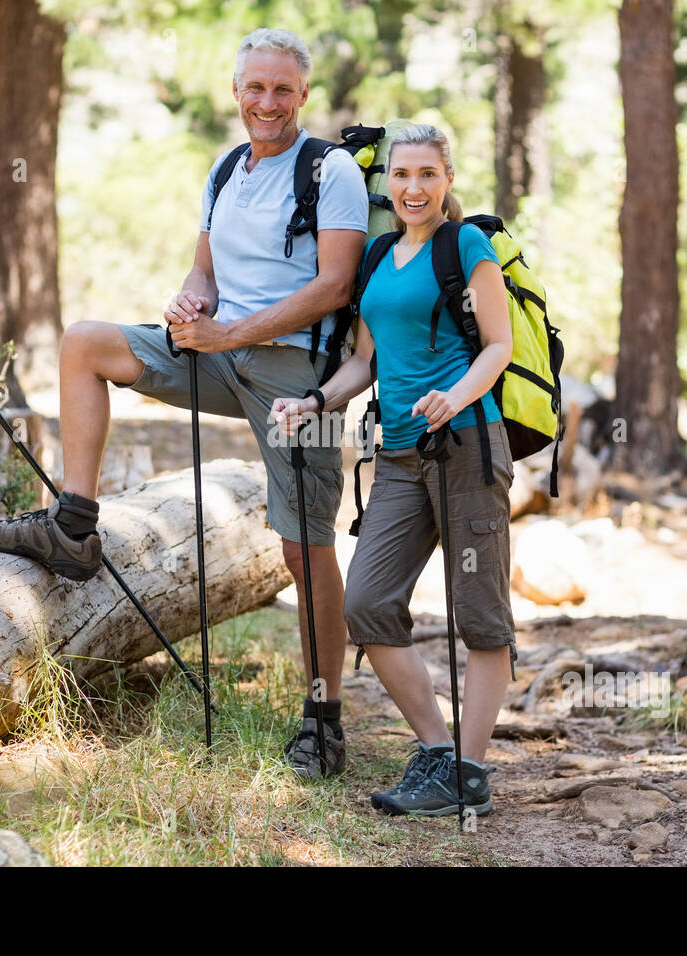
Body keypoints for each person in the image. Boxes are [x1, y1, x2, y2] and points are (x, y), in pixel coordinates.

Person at [0, 28, 370, 780]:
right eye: (255, 87)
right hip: (219, 352)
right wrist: (194, 302)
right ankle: (73, 527)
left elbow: (334, 286)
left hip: (299, 376)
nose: (267, 102)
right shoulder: (225, 170)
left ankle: (324, 721)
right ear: (236, 90)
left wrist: (226, 334)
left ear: (303, 96)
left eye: (283, 89)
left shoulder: (332, 170)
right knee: (86, 343)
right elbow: (205, 271)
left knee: (304, 545)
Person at [272, 124, 515, 816]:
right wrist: (315, 400)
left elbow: (497, 346)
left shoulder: (466, 246)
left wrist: (456, 396)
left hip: (468, 446)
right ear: (390, 184)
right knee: (367, 604)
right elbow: (365, 361)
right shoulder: (379, 255)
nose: (413, 188)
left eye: (428, 175)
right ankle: (438, 754)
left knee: (481, 618)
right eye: (402, 175)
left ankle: (469, 774)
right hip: (401, 457)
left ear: (447, 179)